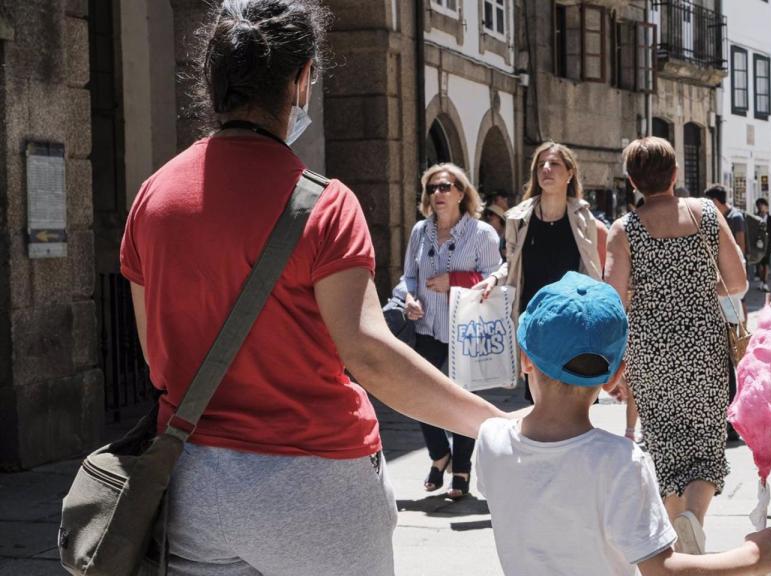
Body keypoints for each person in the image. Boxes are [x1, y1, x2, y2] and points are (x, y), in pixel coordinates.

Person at [120, 2, 508, 573]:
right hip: (317, 487)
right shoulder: (324, 204)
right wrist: (494, 424)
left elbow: (159, 359)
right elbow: (369, 354)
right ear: (302, 79)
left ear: (213, 78)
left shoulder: (153, 198)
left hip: (194, 487)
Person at [475, 272, 771, 576]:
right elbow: (662, 569)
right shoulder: (620, 462)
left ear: (525, 360)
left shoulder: (491, 440)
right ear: (616, 375)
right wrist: (754, 557)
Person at [606, 138, 748, 554]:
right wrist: (697, 288)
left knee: (664, 445)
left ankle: (676, 536)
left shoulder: (624, 229)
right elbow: (737, 281)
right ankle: (693, 521)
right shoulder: (706, 214)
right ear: (675, 175)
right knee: (706, 444)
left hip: (650, 348)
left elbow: (612, 301)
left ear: (632, 181)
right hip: (704, 346)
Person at [475, 142, 607, 403]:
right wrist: (493, 278)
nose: (546, 169)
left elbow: (591, 269)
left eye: (554, 163)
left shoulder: (583, 219)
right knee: (540, 401)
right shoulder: (519, 218)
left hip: (573, 321)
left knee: (575, 399)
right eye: (540, 165)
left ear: (569, 173)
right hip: (534, 321)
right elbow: (512, 264)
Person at [403, 163, 502, 499]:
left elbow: (494, 278)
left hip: (465, 331)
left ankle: (461, 469)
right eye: (431, 188)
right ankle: (438, 454)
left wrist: (455, 281)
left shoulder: (482, 233)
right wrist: (409, 298)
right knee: (418, 394)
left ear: (461, 192)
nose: (438, 193)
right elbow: (409, 277)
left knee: (463, 402)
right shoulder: (420, 231)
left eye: (445, 186)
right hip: (427, 327)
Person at [754, 198, 771, 292]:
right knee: (759, 264)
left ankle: (765, 282)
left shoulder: (770, 218)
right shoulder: (755, 217)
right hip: (758, 244)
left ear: (766, 206)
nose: (761, 207)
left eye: (762, 205)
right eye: (759, 206)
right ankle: (761, 281)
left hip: (768, 244)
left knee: (766, 263)